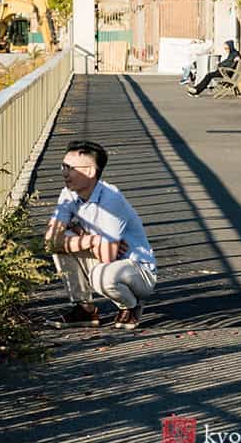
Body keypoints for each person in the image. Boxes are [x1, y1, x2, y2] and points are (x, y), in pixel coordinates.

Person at [44, 140, 158, 330]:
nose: (64, 173)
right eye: (63, 166)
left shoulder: (111, 200)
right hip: (106, 256)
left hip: (137, 270)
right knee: (65, 241)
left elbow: (107, 257)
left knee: (100, 273)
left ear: (89, 171)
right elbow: (50, 241)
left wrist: (79, 238)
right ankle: (84, 309)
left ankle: (131, 305)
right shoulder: (68, 194)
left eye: (70, 168)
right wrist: (92, 239)